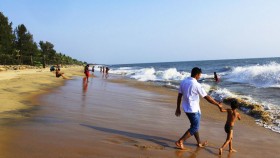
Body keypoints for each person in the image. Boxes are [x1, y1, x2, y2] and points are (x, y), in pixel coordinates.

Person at [175, 67, 222, 150]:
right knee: (195, 127)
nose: (200, 77)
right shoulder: (197, 85)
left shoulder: (183, 82)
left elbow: (179, 96)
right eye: (200, 75)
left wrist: (178, 108)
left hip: (186, 108)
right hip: (193, 110)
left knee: (194, 126)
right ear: (197, 75)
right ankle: (180, 141)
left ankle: (199, 143)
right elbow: (207, 97)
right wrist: (217, 104)